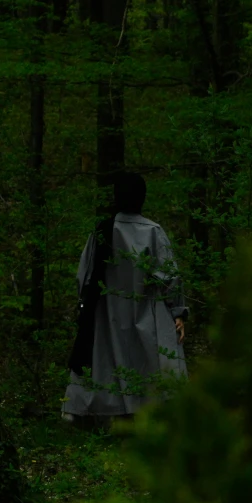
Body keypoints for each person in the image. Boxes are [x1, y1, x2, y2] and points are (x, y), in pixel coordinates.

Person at [62, 171, 188, 426]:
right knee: (150, 356)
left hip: (106, 312)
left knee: (106, 357)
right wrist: (178, 312)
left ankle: (96, 411)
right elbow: (169, 277)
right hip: (146, 310)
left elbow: (84, 277)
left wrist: (85, 306)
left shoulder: (102, 231)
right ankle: (154, 410)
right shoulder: (153, 232)